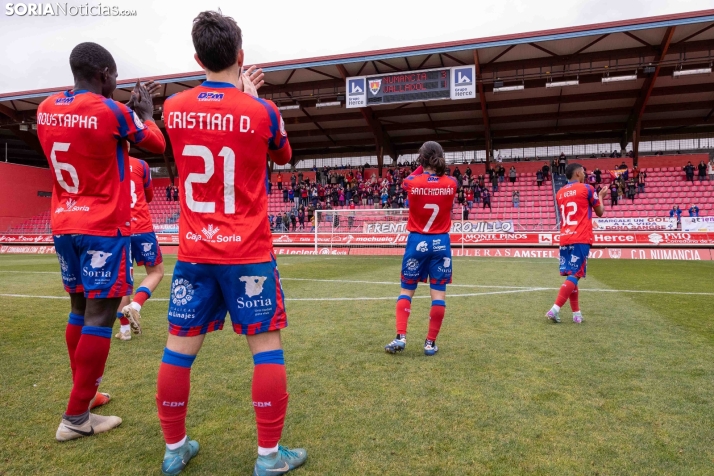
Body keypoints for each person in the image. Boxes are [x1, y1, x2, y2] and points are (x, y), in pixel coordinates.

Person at [160, 11, 306, 475]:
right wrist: (253, 98)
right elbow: (283, 155)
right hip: (248, 252)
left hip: (195, 251)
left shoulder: (172, 108)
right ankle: (267, 458)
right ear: (241, 56)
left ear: (197, 56)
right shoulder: (260, 111)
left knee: (178, 349)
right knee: (266, 350)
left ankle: (174, 448)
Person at [37, 42, 166, 441]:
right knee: (101, 316)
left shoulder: (45, 107)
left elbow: (90, 129)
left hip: (63, 223)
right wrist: (144, 113)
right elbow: (157, 145)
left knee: (78, 309)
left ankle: (86, 395)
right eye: (115, 77)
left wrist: (121, 109)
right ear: (106, 74)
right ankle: (76, 418)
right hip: (101, 225)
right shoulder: (111, 112)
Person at [384, 141, 457, 357]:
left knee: (406, 291)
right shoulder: (451, 183)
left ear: (421, 159)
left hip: (417, 242)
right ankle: (429, 343)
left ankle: (401, 337)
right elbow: (444, 178)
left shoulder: (411, 182)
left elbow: (412, 178)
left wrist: (422, 166)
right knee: (438, 295)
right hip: (441, 244)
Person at [546, 163, 608, 324]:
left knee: (573, 276)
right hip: (580, 237)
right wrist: (601, 196)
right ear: (579, 173)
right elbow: (600, 212)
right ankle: (555, 309)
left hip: (565, 237)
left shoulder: (559, 193)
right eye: (584, 172)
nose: (586, 174)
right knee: (575, 274)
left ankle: (576, 314)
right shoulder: (587, 188)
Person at [114, 157, 165, 341]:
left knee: (124, 281)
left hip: (119, 229)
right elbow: (149, 196)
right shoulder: (140, 164)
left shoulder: (104, 161)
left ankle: (125, 331)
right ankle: (135, 306)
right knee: (156, 272)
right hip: (142, 227)